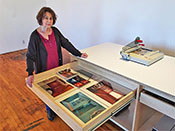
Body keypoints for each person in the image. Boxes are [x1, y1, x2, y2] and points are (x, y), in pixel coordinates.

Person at [26, 7, 88, 121]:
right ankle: (50, 111)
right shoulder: (35, 36)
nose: (48, 21)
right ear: (40, 19)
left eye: (51, 18)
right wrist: (30, 73)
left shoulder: (55, 31)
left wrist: (78, 53)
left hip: (57, 67)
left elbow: (66, 43)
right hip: (43, 70)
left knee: (58, 89)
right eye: (46, 18)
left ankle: (59, 108)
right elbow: (30, 56)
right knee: (48, 92)